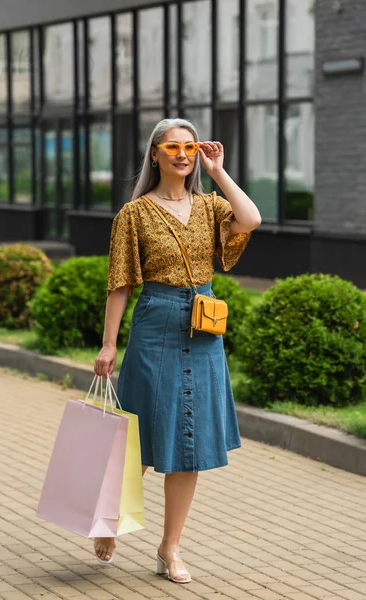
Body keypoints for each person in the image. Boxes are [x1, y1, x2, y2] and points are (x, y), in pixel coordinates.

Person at [93, 118, 261, 583]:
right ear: (155, 154)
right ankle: (107, 519)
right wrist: (109, 344)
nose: (183, 154)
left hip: (204, 328)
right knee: (141, 436)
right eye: (173, 147)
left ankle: (170, 548)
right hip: (156, 324)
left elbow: (251, 219)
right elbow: (120, 283)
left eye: (190, 147)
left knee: (188, 444)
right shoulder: (134, 214)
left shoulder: (210, 205)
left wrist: (219, 170)